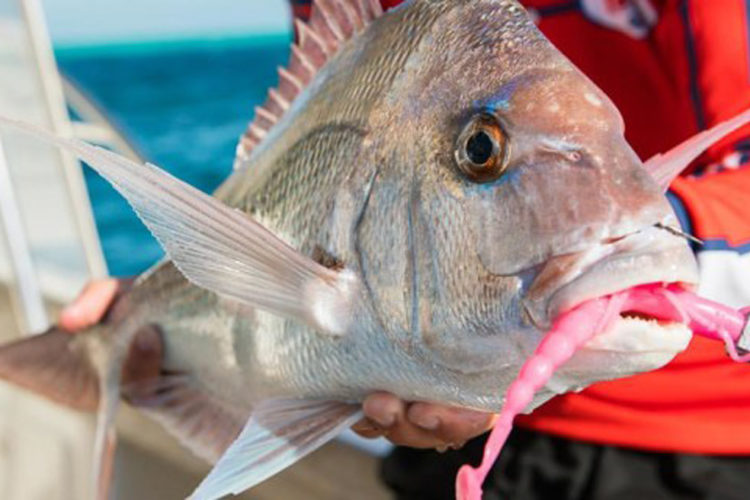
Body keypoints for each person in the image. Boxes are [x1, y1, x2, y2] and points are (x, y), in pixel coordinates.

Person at [63, 1, 750, 498]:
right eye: (479, 151)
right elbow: (297, 188)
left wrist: (637, 236)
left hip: (688, 447)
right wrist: (158, 296)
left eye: (482, 150)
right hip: (450, 438)